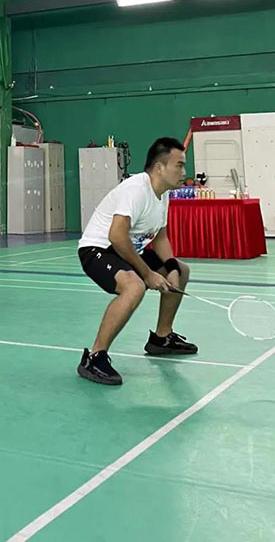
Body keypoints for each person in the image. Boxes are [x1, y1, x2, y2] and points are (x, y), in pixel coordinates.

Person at [77, 137, 198, 386]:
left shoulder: (163, 194)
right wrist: (148, 273)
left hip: (128, 249)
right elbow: (116, 236)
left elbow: (160, 237)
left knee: (181, 270)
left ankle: (162, 338)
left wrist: (171, 267)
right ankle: (95, 357)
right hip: (99, 249)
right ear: (159, 168)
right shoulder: (136, 189)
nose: (184, 172)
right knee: (134, 286)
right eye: (179, 165)